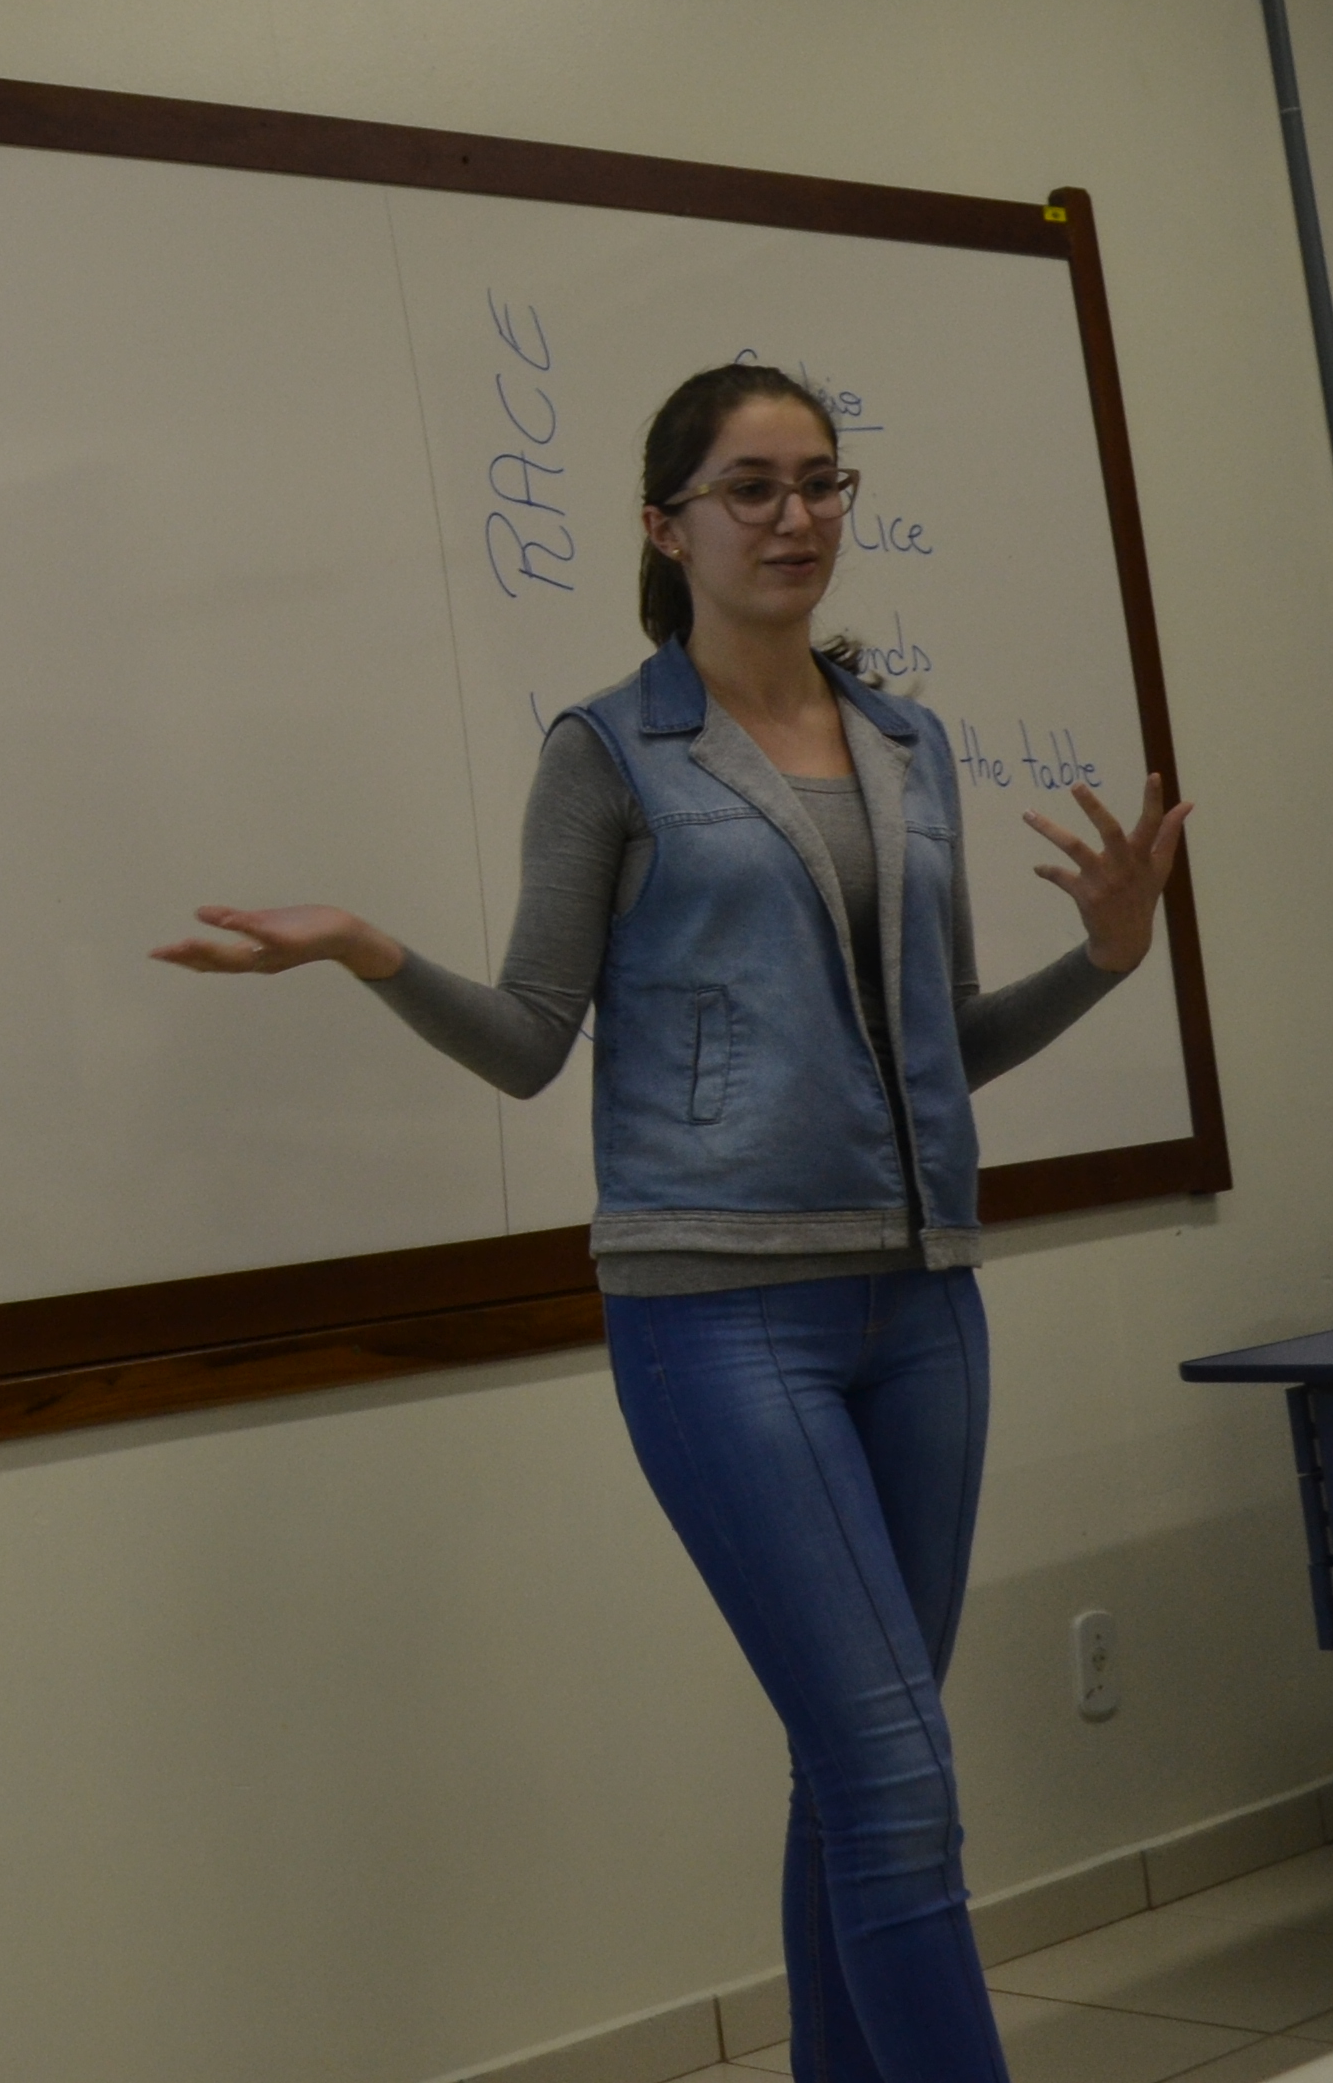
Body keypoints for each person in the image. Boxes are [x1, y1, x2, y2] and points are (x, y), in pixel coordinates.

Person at [158, 361, 1187, 2083]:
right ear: (666, 526)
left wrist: (1106, 960)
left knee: (857, 1775)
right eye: (751, 489)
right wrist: (367, 949)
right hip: (723, 1318)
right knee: (898, 1784)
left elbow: (940, 1046)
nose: (796, 518)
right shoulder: (609, 753)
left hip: (927, 1306)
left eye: (821, 482)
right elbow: (527, 1042)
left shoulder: (910, 743)